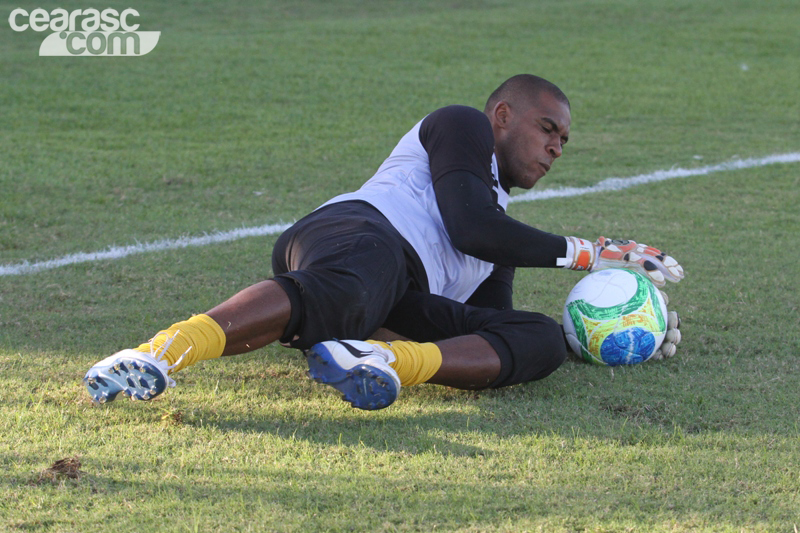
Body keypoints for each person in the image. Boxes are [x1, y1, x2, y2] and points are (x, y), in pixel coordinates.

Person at [84, 74, 684, 410]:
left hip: (394, 298)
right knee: (357, 283)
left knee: (537, 337)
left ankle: (378, 360)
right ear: (502, 115)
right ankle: (161, 351)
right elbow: (470, 226)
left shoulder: (497, 219)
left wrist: (606, 337)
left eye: (564, 141)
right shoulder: (462, 125)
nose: (557, 148)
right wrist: (595, 251)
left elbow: (489, 323)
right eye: (548, 129)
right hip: (357, 236)